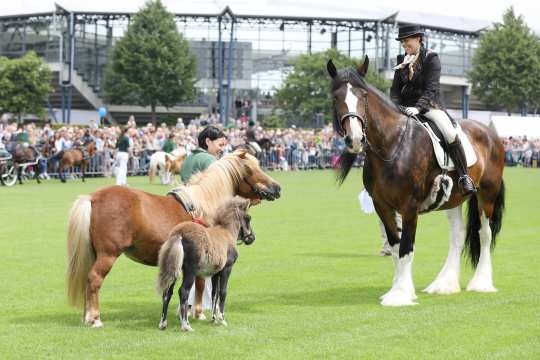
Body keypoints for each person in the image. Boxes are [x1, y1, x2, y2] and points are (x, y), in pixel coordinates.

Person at [390, 24, 476, 195]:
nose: (404, 45)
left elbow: (431, 88)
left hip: (429, 106)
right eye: (402, 42)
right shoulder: (401, 60)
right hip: (404, 109)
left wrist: (418, 108)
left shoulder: (431, 58)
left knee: (450, 132)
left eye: (407, 41)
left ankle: (464, 176)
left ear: (418, 39)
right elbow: (395, 90)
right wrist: (395, 106)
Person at [178, 125, 227, 316]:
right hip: (201, 213)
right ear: (208, 141)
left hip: (185, 208)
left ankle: (191, 304)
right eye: (220, 144)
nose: (222, 148)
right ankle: (201, 305)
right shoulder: (209, 159)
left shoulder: (190, 158)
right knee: (207, 261)